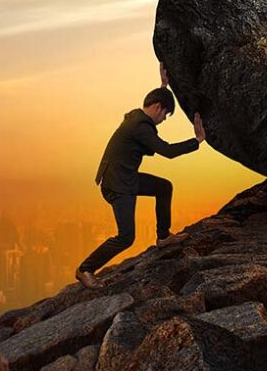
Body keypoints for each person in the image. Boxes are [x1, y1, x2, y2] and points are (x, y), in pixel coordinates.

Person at [75, 63, 206, 290]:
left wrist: (164, 86)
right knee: (126, 237)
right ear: (157, 107)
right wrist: (197, 140)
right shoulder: (139, 126)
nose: (164, 119)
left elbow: (156, 105)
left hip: (126, 178)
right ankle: (85, 269)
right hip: (118, 185)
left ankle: (163, 237)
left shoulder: (137, 118)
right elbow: (167, 151)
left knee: (163, 187)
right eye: (166, 114)